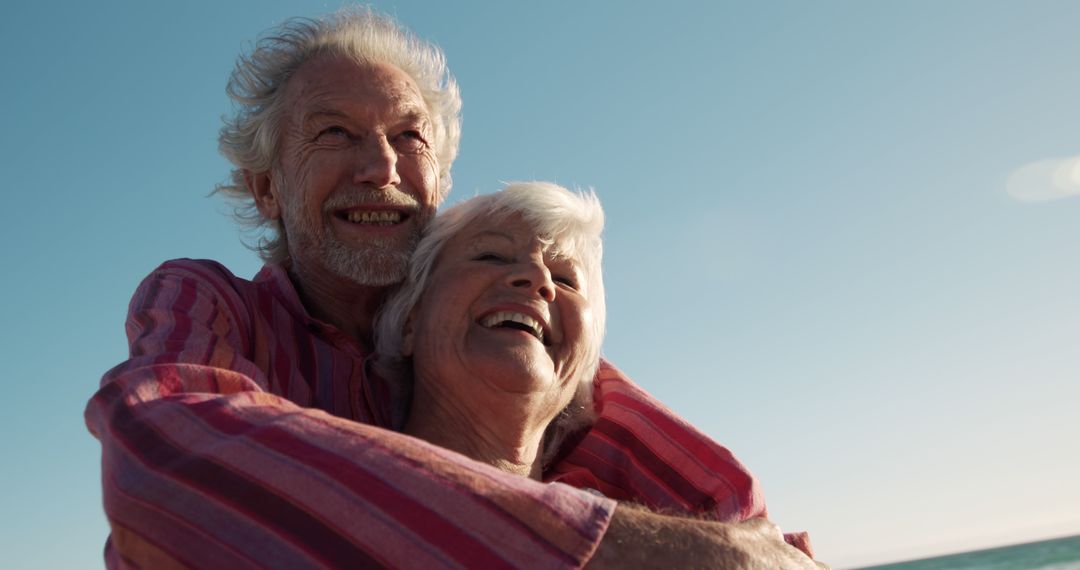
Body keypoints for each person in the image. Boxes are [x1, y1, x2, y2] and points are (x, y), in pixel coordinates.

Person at [85, 7, 821, 569]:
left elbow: (741, 525)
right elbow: (164, 451)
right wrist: (617, 552)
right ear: (266, 187)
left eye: (410, 137)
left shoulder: (509, 335)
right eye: (334, 133)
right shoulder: (210, 306)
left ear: (439, 177)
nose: (381, 168)